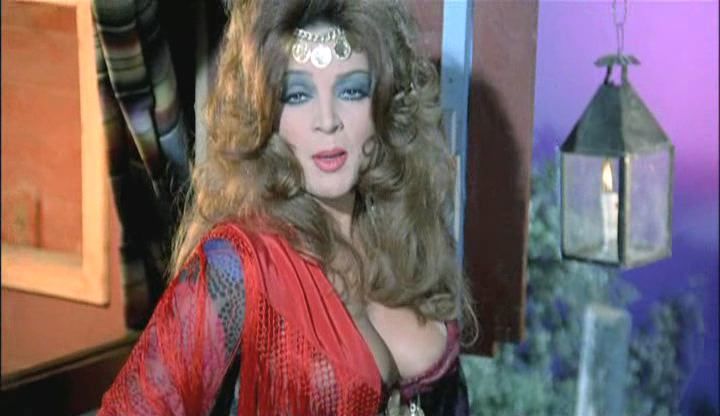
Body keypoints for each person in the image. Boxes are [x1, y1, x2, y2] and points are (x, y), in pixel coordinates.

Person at [99, 0, 477, 414]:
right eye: (297, 94)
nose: (327, 120)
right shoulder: (237, 265)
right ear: (265, 112)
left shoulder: (409, 238)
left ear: (384, 101)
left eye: (351, 90)